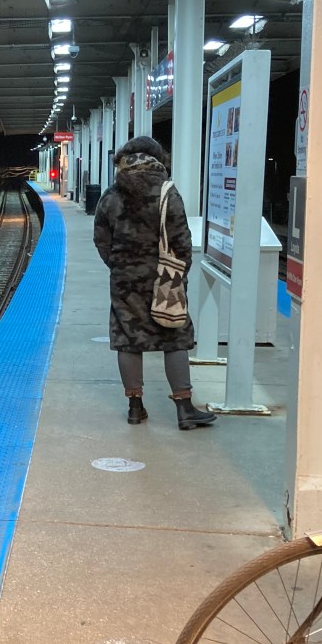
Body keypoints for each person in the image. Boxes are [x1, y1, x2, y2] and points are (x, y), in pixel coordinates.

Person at [93, 136, 216, 430]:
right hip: (165, 276)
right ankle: (184, 409)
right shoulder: (167, 192)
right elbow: (181, 239)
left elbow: (101, 238)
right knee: (174, 334)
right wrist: (178, 272)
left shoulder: (111, 195)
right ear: (158, 158)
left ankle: (135, 407)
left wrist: (119, 265)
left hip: (124, 279)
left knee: (127, 337)